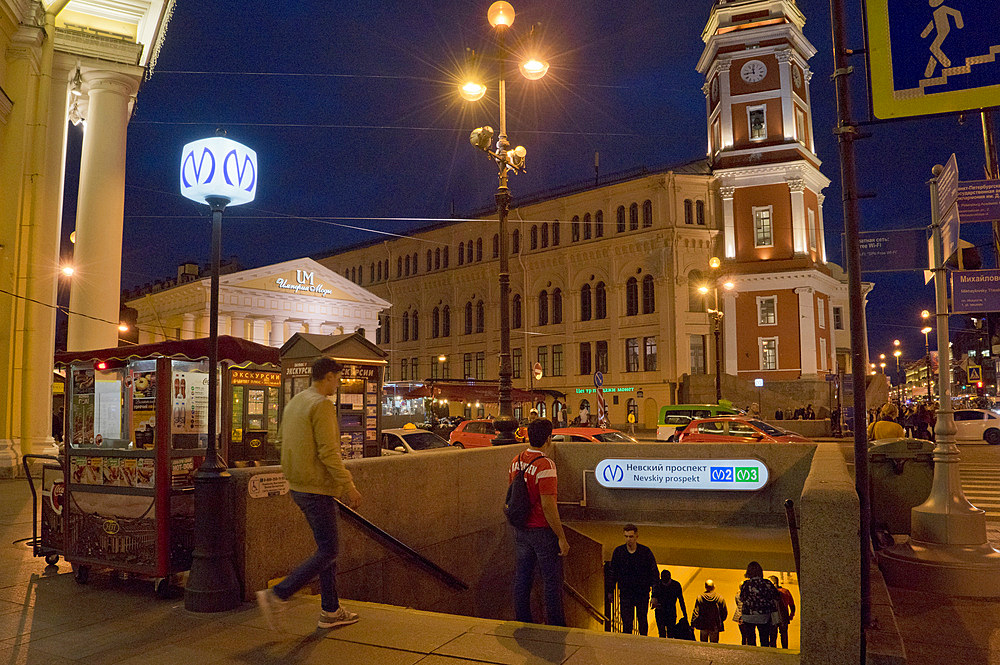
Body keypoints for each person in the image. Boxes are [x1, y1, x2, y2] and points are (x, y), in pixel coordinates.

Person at [257, 357, 362, 631]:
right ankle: (279, 594)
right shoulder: (322, 405)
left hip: (298, 486)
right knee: (329, 550)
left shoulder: (296, 401)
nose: (338, 384)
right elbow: (329, 452)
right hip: (317, 489)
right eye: (337, 379)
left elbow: (279, 440)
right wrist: (348, 484)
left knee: (326, 550)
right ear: (328, 376)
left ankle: (330, 610)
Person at [510, 418, 569, 626]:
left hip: (521, 530)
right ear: (548, 439)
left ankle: (523, 622)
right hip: (542, 531)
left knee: (523, 577)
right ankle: (555, 627)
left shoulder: (516, 460)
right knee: (551, 582)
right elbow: (548, 506)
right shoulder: (546, 465)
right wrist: (561, 537)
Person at [608, 523, 659, 635]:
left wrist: (654, 595)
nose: (628, 539)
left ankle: (643, 645)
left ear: (636, 536)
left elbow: (654, 574)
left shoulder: (645, 552)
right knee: (626, 623)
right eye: (626, 536)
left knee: (642, 621)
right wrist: (610, 591)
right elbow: (613, 572)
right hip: (626, 593)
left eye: (631, 537)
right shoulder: (619, 552)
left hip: (642, 593)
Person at [738, 561, 779, 647]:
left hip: (748, 616)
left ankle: (752, 657)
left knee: (750, 639)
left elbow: (742, 598)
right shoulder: (767, 583)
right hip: (763, 615)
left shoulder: (746, 584)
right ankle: (764, 656)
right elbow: (776, 596)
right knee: (764, 640)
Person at [650, 569, 687, 639]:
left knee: (662, 633)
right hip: (670, 611)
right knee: (670, 633)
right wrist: (685, 615)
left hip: (661, 611)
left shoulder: (658, 585)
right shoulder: (676, 585)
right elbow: (681, 601)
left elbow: (654, 597)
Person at [690, 579, 728, 643]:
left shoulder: (700, 597)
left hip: (703, 624)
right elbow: (724, 612)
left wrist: (693, 623)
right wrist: (720, 620)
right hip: (714, 625)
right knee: (714, 644)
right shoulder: (719, 598)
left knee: (703, 644)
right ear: (714, 587)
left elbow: (696, 612)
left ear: (705, 587)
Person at [769, 576, 795, 649]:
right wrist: (791, 615)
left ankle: (773, 651)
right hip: (784, 617)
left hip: (773, 617)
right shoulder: (785, 591)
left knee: (773, 636)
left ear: (773, 583)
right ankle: (785, 650)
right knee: (784, 635)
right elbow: (792, 605)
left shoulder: (769, 593)